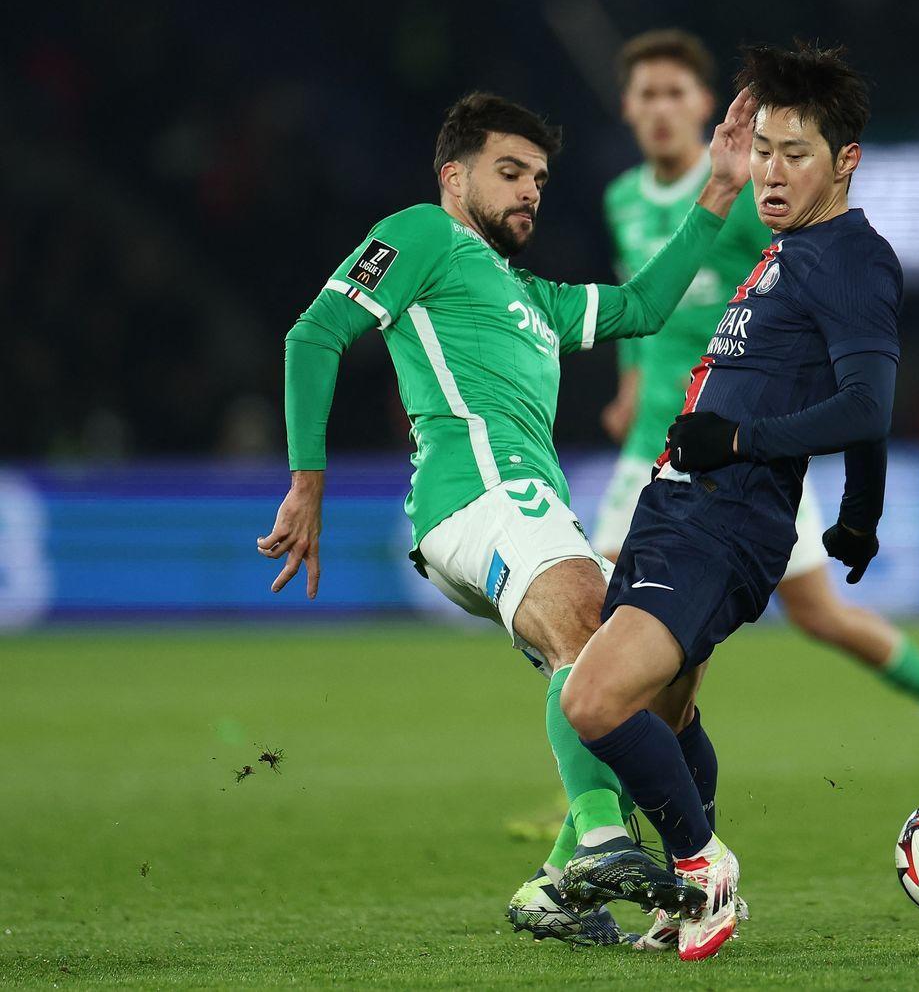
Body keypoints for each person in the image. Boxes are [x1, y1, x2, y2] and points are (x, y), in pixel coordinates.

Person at [256, 88, 757, 944]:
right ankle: (605, 840)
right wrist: (307, 482)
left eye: (540, 177)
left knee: (667, 667)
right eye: (510, 171)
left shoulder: (531, 297)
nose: (530, 189)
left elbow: (641, 306)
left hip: (521, 509)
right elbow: (314, 334)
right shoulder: (424, 234)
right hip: (477, 493)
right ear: (455, 176)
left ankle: (556, 888)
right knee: (594, 630)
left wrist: (717, 189)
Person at [560, 41, 905, 961]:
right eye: (766, 150)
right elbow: (855, 415)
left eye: (797, 153)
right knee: (668, 719)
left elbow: (870, 402)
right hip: (677, 505)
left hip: (727, 516)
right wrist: (859, 514)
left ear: (845, 162)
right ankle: (688, 903)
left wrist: (743, 442)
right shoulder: (786, 251)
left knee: (591, 703)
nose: (774, 171)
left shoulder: (852, 258)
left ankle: (703, 865)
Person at [596, 31, 919, 797]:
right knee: (617, 641)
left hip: (739, 458)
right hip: (662, 443)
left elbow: (852, 377)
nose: (659, 110)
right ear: (626, 107)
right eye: (645, 94)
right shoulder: (625, 199)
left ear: (708, 107)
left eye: (674, 93)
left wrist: (786, 460)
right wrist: (629, 383)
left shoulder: (779, 219)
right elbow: (644, 302)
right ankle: (605, 811)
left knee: (805, 617)